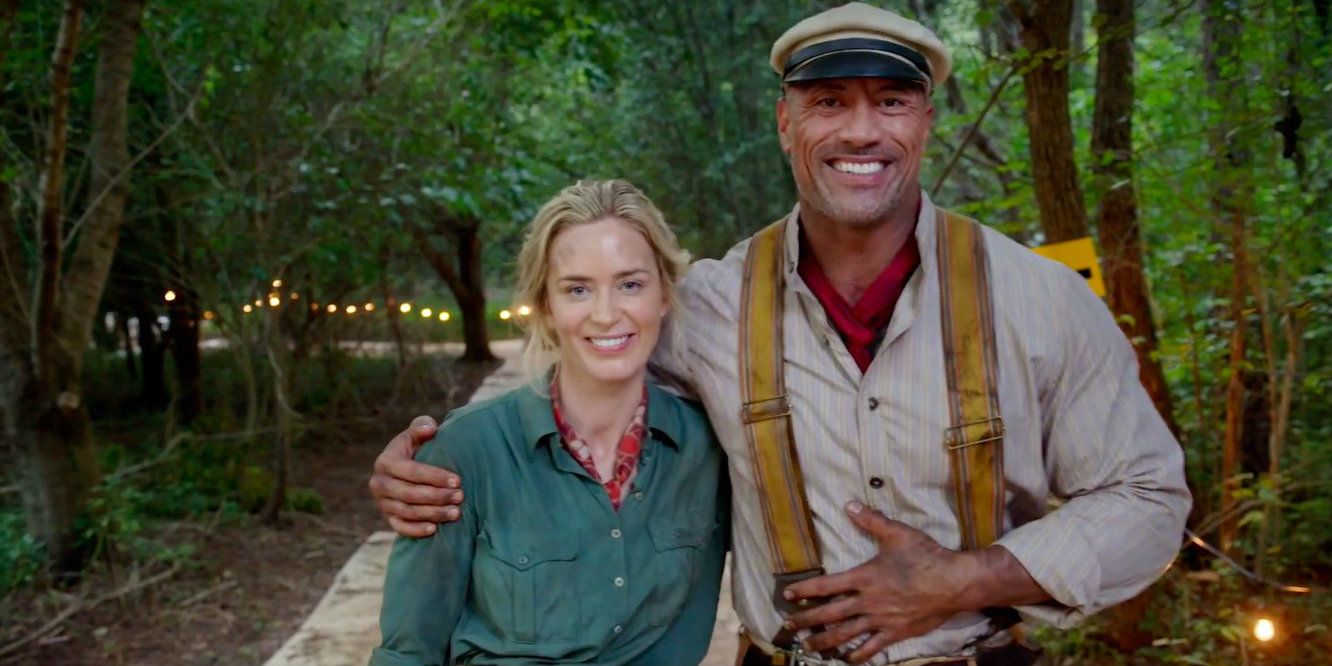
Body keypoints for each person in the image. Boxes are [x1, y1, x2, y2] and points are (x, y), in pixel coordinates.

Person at [368, 4, 1191, 665]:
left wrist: (959, 579)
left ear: (926, 121)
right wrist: (440, 466)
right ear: (784, 122)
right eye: (829, 101)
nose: (861, 132)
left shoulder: (1040, 297)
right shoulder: (709, 306)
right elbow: (588, 382)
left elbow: (1149, 499)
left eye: (890, 101)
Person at [369, 180, 728, 666]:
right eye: (577, 289)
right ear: (545, 305)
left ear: (664, 295)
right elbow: (408, 653)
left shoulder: (711, 449)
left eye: (630, 284)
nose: (606, 314)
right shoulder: (466, 452)